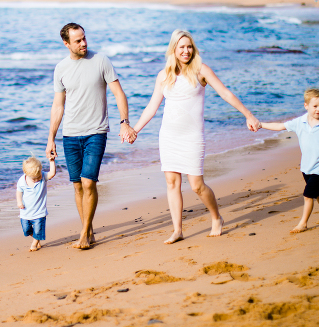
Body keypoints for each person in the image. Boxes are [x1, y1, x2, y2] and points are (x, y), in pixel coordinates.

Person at [132, 30, 259, 244]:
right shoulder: (164, 75)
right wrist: (135, 129)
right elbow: (152, 107)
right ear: (173, 49)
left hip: (192, 137)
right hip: (169, 136)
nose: (186, 51)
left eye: (189, 46)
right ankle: (177, 230)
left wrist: (248, 115)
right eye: (181, 47)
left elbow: (226, 93)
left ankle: (216, 218)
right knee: (172, 182)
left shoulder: (201, 70)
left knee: (196, 185)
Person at [46, 23, 136, 249]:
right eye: (77, 41)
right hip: (70, 135)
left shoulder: (101, 61)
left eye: (84, 38)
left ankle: (84, 235)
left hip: (96, 132)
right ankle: (89, 229)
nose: (83, 43)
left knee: (88, 182)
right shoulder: (61, 68)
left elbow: (119, 93)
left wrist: (124, 123)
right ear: (66, 44)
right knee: (77, 185)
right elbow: (58, 107)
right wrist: (51, 139)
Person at [259, 88, 319, 233]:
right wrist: (261, 125)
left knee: (308, 195)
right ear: (306, 106)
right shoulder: (300, 122)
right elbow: (280, 126)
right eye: (315, 106)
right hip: (306, 168)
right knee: (317, 194)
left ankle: (303, 223)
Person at [16, 154, 57, 251]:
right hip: (25, 212)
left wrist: (51, 161)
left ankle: (34, 244)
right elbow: (19, 191)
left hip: (39, 212)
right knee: (26, 229)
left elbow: (52, 173)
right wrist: (19, 202)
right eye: (33, 178)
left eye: (38, 177)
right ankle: (36, 237)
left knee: (38, 229)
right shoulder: (22, 180)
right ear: (26, 174)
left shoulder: (43, 176)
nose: (36, 180)